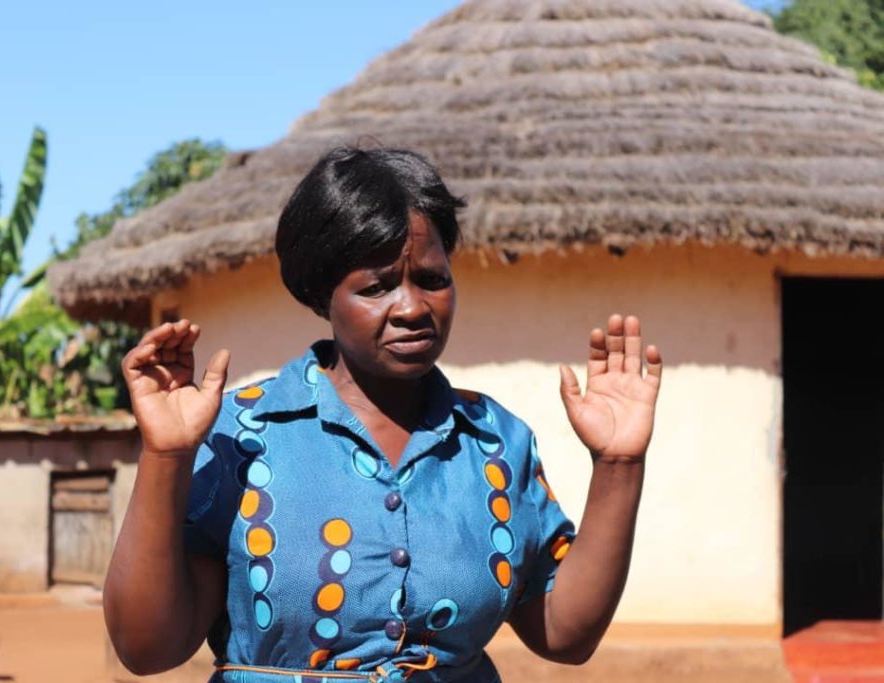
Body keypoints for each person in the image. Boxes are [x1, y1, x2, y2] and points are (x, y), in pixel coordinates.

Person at [102, 148, 662, 683]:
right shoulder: (244, 436)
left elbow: (564, 633)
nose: (413, 307)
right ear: (323, 296)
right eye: (376, 287)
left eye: (433, 280)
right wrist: (167, 454)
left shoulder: (493, 442)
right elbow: (146, 648)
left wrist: (618, 464)